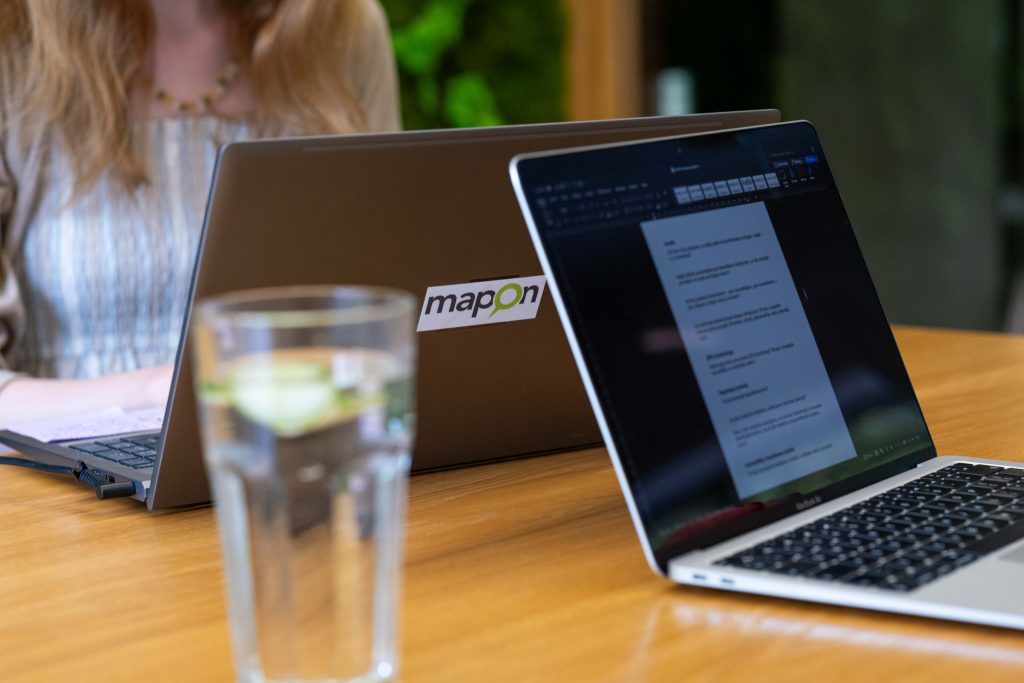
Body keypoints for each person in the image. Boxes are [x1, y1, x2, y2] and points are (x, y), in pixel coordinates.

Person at [0, 0, 400, 424]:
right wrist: (165, 392)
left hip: (303, 445)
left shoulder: (340, 27)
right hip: (61, 461)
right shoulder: (14, 40)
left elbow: (385, 315)